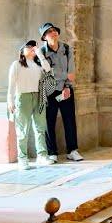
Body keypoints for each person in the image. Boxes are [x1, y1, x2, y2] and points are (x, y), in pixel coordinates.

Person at [38, 22, 83, 163]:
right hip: (50, 91)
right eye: (49, 31)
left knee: (69, 120)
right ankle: (52, 153)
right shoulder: (41, 53)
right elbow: (45, 74)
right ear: (44, 37)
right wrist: (62, 76)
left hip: (65, 90)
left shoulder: (66, 49)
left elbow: (71, 73)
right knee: (48, 122)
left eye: (54, 30)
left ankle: (72, 150)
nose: (53, 33)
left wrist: (67, 86)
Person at [7, 40, 56, 170]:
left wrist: (40, 54)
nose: (31, 48)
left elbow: (48, 69)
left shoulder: (37, 65)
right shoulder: (16, 65)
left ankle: (42, 155)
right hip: (23, 97)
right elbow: (11, 85)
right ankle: (22, 159)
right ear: (22, 51)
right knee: (23, 130)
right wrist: (10, 101)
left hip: (38, 96)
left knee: (40, 127)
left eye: (33, 46)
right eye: (28, 46)